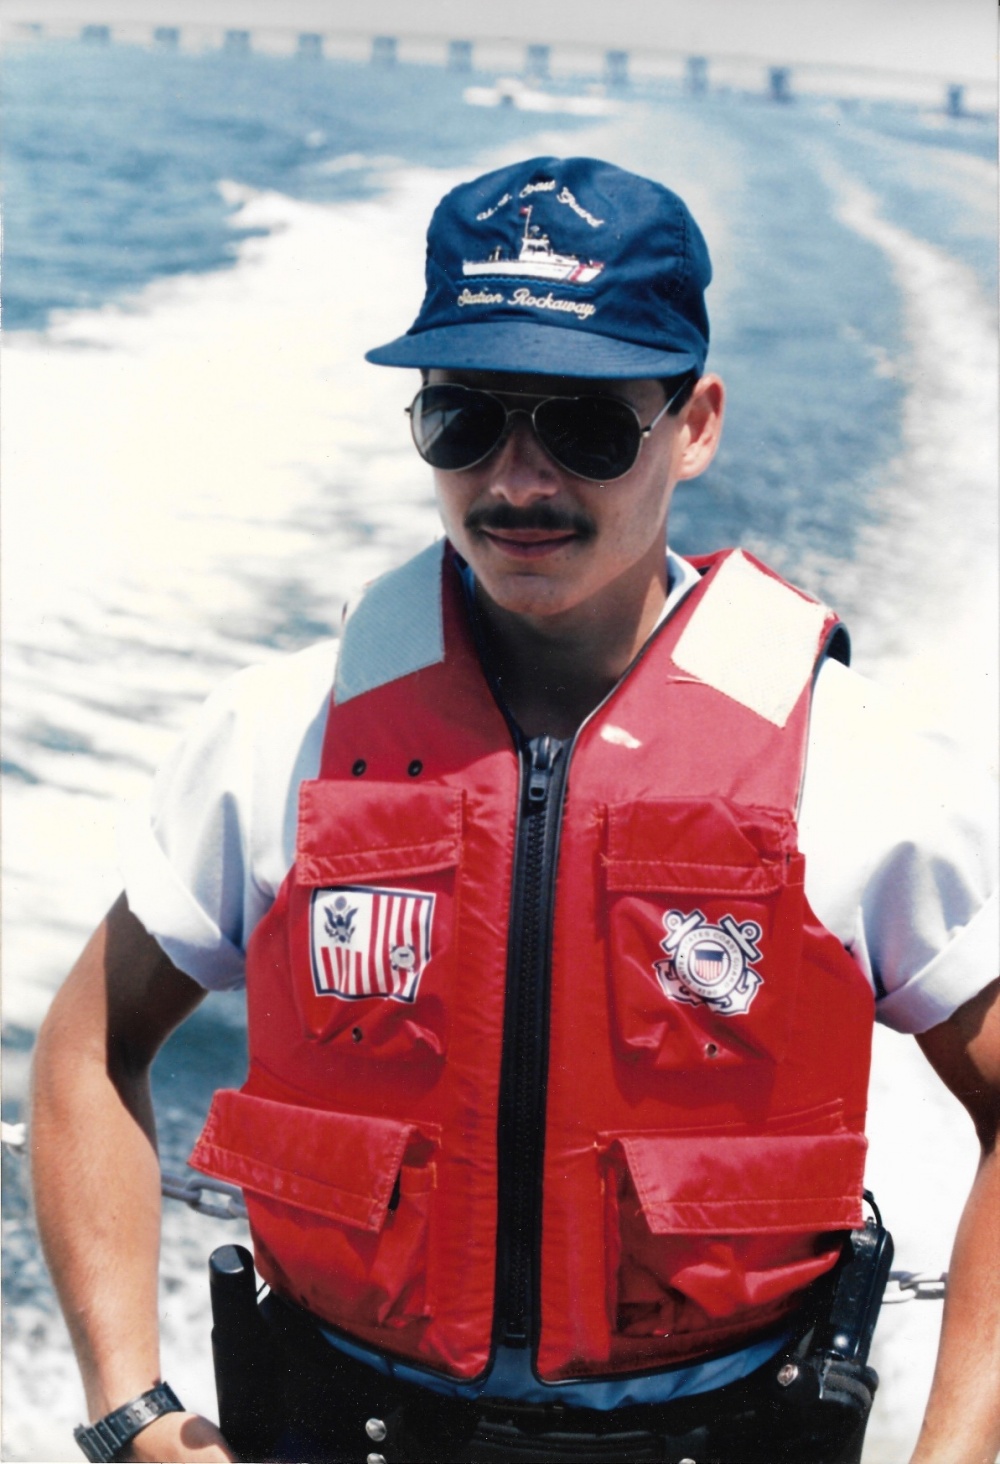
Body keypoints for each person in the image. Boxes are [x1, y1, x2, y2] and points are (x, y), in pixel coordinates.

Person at [30, 156, 999, 1464]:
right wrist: (126, 1408)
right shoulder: (286, 735)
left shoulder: (858, 765)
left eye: (588, 426)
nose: (519, 480)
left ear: (697, 423)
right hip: (337, 1426)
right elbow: (90, 1045)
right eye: (466, 419)